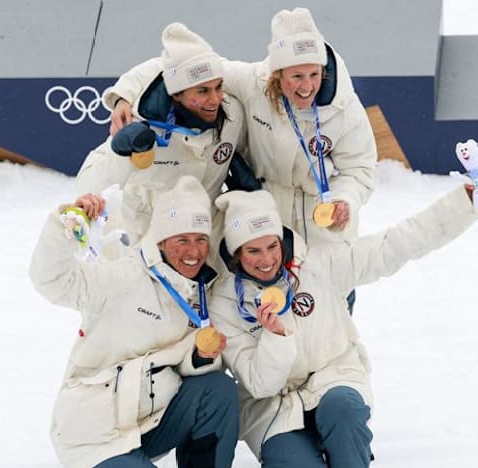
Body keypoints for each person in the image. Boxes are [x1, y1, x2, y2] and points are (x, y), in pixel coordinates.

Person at [206, 181, 478, 467]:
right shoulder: (224, 303)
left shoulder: (318, 264)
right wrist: (274, 337)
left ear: (282, 241)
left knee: (343, 412)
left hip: (333, 379)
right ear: (235, 254)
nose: (266, 260)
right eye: (253, 251)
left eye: (272, 246)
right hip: (273, 407)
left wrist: (463, 203)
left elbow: (395, 244)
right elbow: (262, 385)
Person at [107, 8, 376, 247]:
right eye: (296, 76)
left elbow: (359, 169)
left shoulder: (343, 106)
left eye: (314, 74)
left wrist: (345, 200)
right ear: (277, 73)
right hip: (264, 214)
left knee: (326, 298)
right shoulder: (252, 83)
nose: (307, 87)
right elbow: (181, 64)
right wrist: (124, 95)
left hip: (322, 219)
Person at [29, 176, 239, 468]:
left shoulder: (199, 291)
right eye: (182, 240)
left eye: (201, 239)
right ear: (162, 242)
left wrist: (199, 357)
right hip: (95, 434)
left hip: (147, 422)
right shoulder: (124, 277)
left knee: (218, 390)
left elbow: (181, 361)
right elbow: (51, 280)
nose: (194, 252)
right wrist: (68, 222)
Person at [79, 22, 256, 250]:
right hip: (144, 239)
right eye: (202, 91)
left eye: (218, 86)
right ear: (176, 94)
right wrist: (120, 153)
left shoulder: (233, 115)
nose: (214, 99)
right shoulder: (141, 126)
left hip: (202, 238)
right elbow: (90, 185)